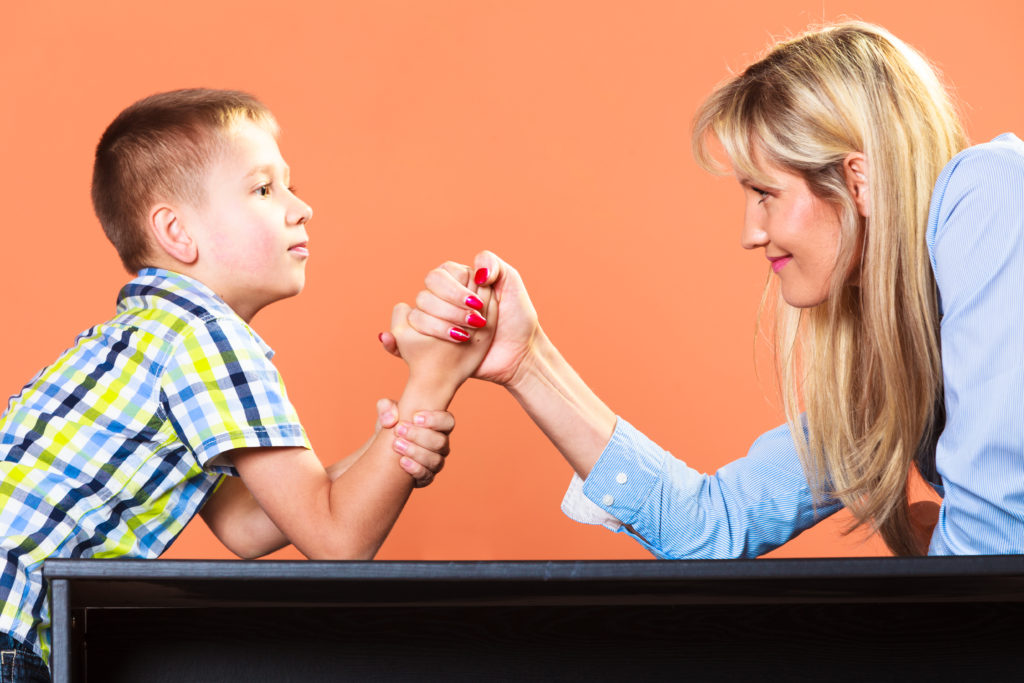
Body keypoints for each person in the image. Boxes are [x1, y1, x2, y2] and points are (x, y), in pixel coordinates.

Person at [385, 22, 1024, 559]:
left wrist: (941, 568)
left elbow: (990, 542)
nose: (751, 233)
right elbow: (708, 524)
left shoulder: (990, 193)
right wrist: (528, 362)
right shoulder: (898, 361)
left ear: (856, 180)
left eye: (765, 194)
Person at [0, 88, 494, 679]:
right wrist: (431, 380)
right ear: (177, 233)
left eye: (290, 184)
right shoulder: (206, 336)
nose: (301, 207)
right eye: (264, 189)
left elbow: (249, 527)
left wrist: (392, 443)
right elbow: (339, 542)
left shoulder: (151, 332)